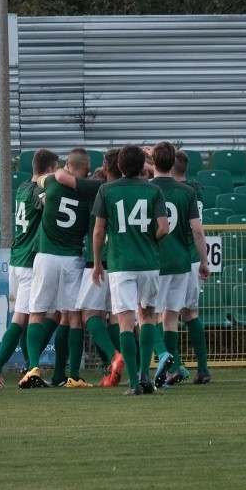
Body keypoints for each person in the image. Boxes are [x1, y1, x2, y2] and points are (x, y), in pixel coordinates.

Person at [20, 148, 102, 389]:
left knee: (37, 313)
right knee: (73, 316)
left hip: (45, 256)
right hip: (72, 259)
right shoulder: (90, 194)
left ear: (68, 164)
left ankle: (33, 368)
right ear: (86, 167)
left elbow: (40, 182)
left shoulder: (53, 182)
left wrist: (59, 173)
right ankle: (74, 375)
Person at [92, 144, 168, 395]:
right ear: (141, 166)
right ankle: (145, 375)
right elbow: (164, 228)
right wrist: (148, 240)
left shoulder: (106, 190)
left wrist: (96, 262)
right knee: (147, 317)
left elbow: (99, 229)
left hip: (121, 263)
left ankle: (134, 383)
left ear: (120, 166)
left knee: (125, 320)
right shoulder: (154, 189)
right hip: (148, 262)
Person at [0, 149, 58, 388]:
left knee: (25, 317)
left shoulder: (23, 188)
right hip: (28, 262)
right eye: (55, 169)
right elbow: (50, 201)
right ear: (49, 170)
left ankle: (29, 367)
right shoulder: (38, 191)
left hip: (16, 259)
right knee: (22, 318)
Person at [52, 148, 125, 387]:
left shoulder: (98, 189)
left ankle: (115, 356)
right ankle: (121, 368)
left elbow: (61, 176)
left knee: (86, 314)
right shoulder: (134, 187)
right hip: (122, 260)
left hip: (99, 260)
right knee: (115, 316)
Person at [146, 142, 210, 388]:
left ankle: (167, 364)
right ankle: (193, 368)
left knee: (149, 316)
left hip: (156, 261)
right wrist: (204, 261)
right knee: (180, 314)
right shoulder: (191, 191)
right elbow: (197, 230)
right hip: (187, 259)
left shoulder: (148, 189)